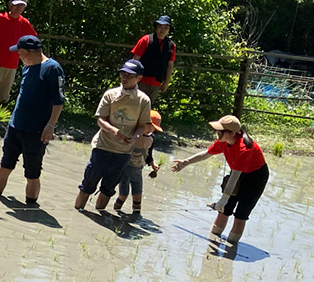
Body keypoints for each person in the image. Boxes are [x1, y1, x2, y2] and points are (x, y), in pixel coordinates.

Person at [170, 115, 270, 245]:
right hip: (238, 173)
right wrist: (185, 162)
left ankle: (231, 249)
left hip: (255, 178)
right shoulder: (222, 142)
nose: (216, 133)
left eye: (220, 130)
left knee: (240, 215)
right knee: (223, 210)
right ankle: (212, 242)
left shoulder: (244, 148)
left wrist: (223, 199)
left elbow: (235, 176)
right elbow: (206, 154)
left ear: (232, 133)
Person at [0, 35, 64, 207]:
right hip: (15, 127)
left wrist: (50, 125)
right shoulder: (26, 67)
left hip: (36, 131)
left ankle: (31, 208)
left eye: (20, 53)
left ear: (27, 53)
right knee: (5, 166)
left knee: (32, 174)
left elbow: (58, 100)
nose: (18, 56)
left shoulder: (52, 69)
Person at [74, 59, 152, 212]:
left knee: (109, 188)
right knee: (88, 183)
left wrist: (135, 136)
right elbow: (100, 120)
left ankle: (99, 214)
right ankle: (77, 212)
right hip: (102, 146)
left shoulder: (143, 100)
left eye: (130, 75)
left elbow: (142, 126)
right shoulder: (110, 94)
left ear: (139, 78)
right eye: (123, 73)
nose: (125, 77)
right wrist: (114, 131)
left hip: (123, 152)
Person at [0, 0, 37, 115]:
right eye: (16, 5)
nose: (19, 8)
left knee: (3, 94)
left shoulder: (24, 23)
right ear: (10, 5)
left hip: (12, 64)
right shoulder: (0, 18)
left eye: (21, 6)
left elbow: (34, 38)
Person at [113, 110, 162, 215]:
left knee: (138, 193)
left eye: (153, 127)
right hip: (125, 168)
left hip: (137, 170)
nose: (150, 129)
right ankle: (115, 211)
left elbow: (149, 154)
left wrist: (153, 164)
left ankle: (136, 215)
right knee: (123, 194)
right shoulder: (134, 135)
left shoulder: (151, 139)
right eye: (148, 126)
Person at [132, 16, 176, 102]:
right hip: (141, 81)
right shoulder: (146, 40)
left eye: (166, 27)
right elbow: (135, 60)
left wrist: (166, 83)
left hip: (156, 83)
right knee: (135, 105)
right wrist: (133, 79)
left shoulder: (171, 45)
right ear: (156, 27)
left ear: (169, 30)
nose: (162, 30)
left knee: (148, 108)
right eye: (160, 26)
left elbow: (170, 65)